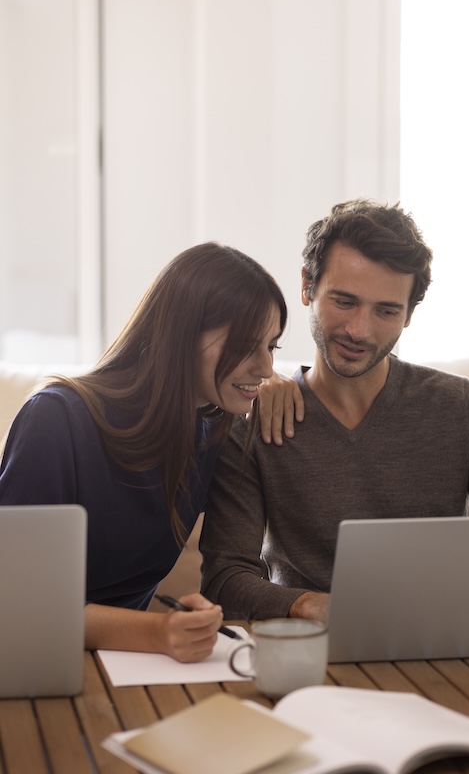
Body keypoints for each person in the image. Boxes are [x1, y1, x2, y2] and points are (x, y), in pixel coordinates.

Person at [200, 198, 469, 623]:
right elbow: (224, 581)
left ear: (409, 314)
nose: (360, 330)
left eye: (387, 311)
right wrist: (312, 605)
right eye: (344, 301)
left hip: (443, 641)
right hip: (308, 643)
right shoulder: (254, 419)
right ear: (307, 286)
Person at [0, 242, 287, 662]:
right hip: (35, 660)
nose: (265, 368)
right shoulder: (57, 419)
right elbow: (18, 603)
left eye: (272, 346)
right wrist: (157, 633)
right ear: (183, 335)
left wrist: (292, 389)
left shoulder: (215, 433)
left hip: (127, 663)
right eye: (247, 345)